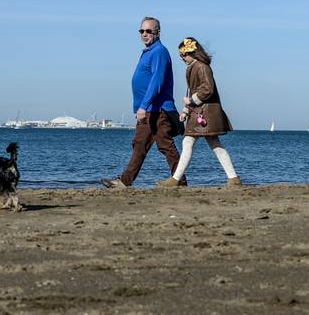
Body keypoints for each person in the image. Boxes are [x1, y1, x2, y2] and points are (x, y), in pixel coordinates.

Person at [101, 17, 182, 189]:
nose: (145, 34)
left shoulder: (159, 51)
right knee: (141, 144)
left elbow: (157, 80)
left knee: (164, 145)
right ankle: (125, 181)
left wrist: (144, 106)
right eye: (142, 31)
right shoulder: (149, 52)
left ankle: (179, 181)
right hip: (149, 109)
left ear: (157, 32)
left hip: (157, 109)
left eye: (149, 31)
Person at [157, 36, 241, 187]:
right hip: (202, 112)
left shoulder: (201, 67)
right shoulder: (195, 67)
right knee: (212, 144)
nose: (182, 58)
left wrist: (190, 103)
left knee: (189, 142)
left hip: (204, 113)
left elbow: (207, 89)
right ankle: (233, 178)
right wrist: (186, 111)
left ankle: (175, 179)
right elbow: (194, 91)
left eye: (184, 54)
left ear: (193, 53)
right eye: (181, 55)